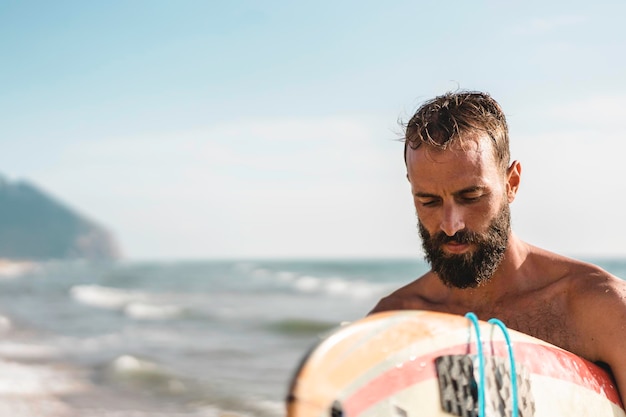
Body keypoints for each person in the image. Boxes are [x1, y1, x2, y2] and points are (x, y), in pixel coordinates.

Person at [369, 90, 626, 406]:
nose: (451, 225)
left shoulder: (602, 310)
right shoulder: (390, 324)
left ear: (511, 183)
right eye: (429, 201)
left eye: (471, 197)